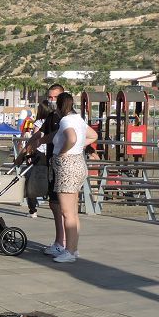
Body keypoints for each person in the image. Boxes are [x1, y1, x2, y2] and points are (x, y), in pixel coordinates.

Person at [49, 91, 96, 263]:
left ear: (60, 106)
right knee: (73, 212)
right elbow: (93, 135)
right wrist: (78, 148)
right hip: (79, 164)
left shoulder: (66, 120)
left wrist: (63, 152)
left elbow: (72, 137)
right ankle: (73, 248)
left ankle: (69, 250)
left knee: (67, 212)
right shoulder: (79, 119)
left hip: (67, 166)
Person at [19, 84, 65, 253]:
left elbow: (84, 136)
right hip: (52, 163)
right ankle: (60, 242)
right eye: (50, 97)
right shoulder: (52, 116)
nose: (52, 100)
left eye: (55, 97)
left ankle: (68, 245)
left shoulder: (68, 117)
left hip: (63, 165)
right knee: (54, 204)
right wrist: (23, 153)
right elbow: (38, 136)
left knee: (65, 207)